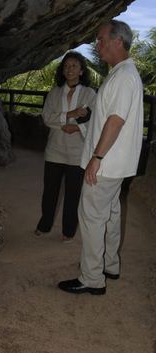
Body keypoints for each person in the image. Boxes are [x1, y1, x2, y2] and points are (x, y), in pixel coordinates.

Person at [58, 20, 144, 294]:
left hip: (106, 164)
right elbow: (110, 118)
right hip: (116, 164)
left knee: (92, 217)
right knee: (109, 214)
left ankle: (92, 279)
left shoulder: (123, 77)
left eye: (101, 39)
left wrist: (96, 157)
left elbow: (115, 121)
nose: (97, 44)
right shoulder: (124, 74)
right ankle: (110, 265)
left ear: (118, 41)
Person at [35, 51, 96, 242]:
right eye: (66, 66)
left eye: (74, 66)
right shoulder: (54, 92)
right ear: (62, 70)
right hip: (55, 148)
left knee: (73, 193)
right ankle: (44, 225)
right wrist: (71, 113)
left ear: (81, 71)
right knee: (50, 190)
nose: (69, 69)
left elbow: (95, 120)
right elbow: (47, 118)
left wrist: (76, 128)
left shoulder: (89, 93)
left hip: (78, 151)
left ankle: (68, 231)